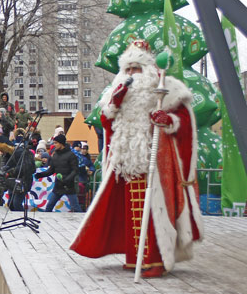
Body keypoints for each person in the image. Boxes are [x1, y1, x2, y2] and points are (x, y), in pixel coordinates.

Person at [70, 40, 203, 278]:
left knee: (155, 213)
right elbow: (106, 122)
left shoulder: (165, 89)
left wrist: (167, 121)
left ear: (149, 69)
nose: (131, 74)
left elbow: (185, 124)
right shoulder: (116, 91)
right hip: (125, 164)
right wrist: (114, 105)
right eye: (128, 69)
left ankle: (154, 260)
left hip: (156, 164)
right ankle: (135, 258)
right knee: (129, 213)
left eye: (136, 68)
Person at [34, 134, 82, 212]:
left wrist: (67, 179)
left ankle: (84, 222)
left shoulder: (71, 155)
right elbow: (51, 170)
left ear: (61, 143)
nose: (54, 145)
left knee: (75, 207)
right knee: (49, 207)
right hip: (58, 186)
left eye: (56, 143)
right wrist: (40, 175)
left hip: (68, 186)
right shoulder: (55, 155)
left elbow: (75, 170)